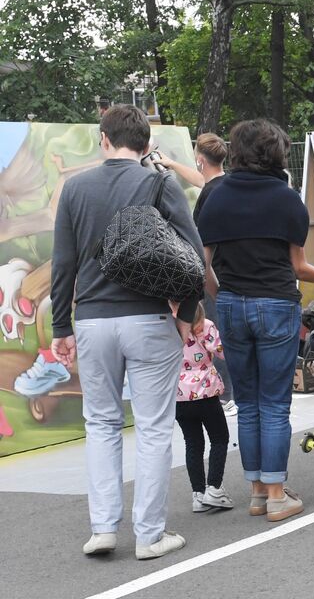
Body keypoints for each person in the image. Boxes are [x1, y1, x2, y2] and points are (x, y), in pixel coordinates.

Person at [50, 103, 204, 560]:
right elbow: (193, 255)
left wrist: (62, 325)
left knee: (100, 424)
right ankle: (150, 535)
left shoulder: (74, 189)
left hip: (94, 321)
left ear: (103, 139)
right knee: (154, 427)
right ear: (145, 144)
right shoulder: (159, 182)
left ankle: (102, 529)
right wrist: (187, 315)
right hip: (150, 320)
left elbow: (63, 264)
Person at [198, 119, 314, 522]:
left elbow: (204, 267)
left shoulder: (215, 197)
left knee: (247, 402)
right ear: (276, 154)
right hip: (275, 306)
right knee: (274, 404)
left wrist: (225, 297)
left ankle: (255, 492)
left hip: (232, 305)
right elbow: (298, 266)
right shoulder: (286, 200)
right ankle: (276, 495)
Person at [165, 133, 237, 413]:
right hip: (223, 272)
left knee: (211, 332)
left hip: (211, 275)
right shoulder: (224, 184)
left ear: (200, 160)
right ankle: (228, 392)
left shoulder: (211, 193)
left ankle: (226, 394)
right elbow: (202, 180)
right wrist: (170, 163)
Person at [176, 303, 233, 513]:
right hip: (206, 392)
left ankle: (198, 495)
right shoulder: (205, 325)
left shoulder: (169, 325)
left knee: (192, 443)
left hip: (178, 395)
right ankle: (215, 488)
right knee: (219, 438)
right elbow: (222, 352)